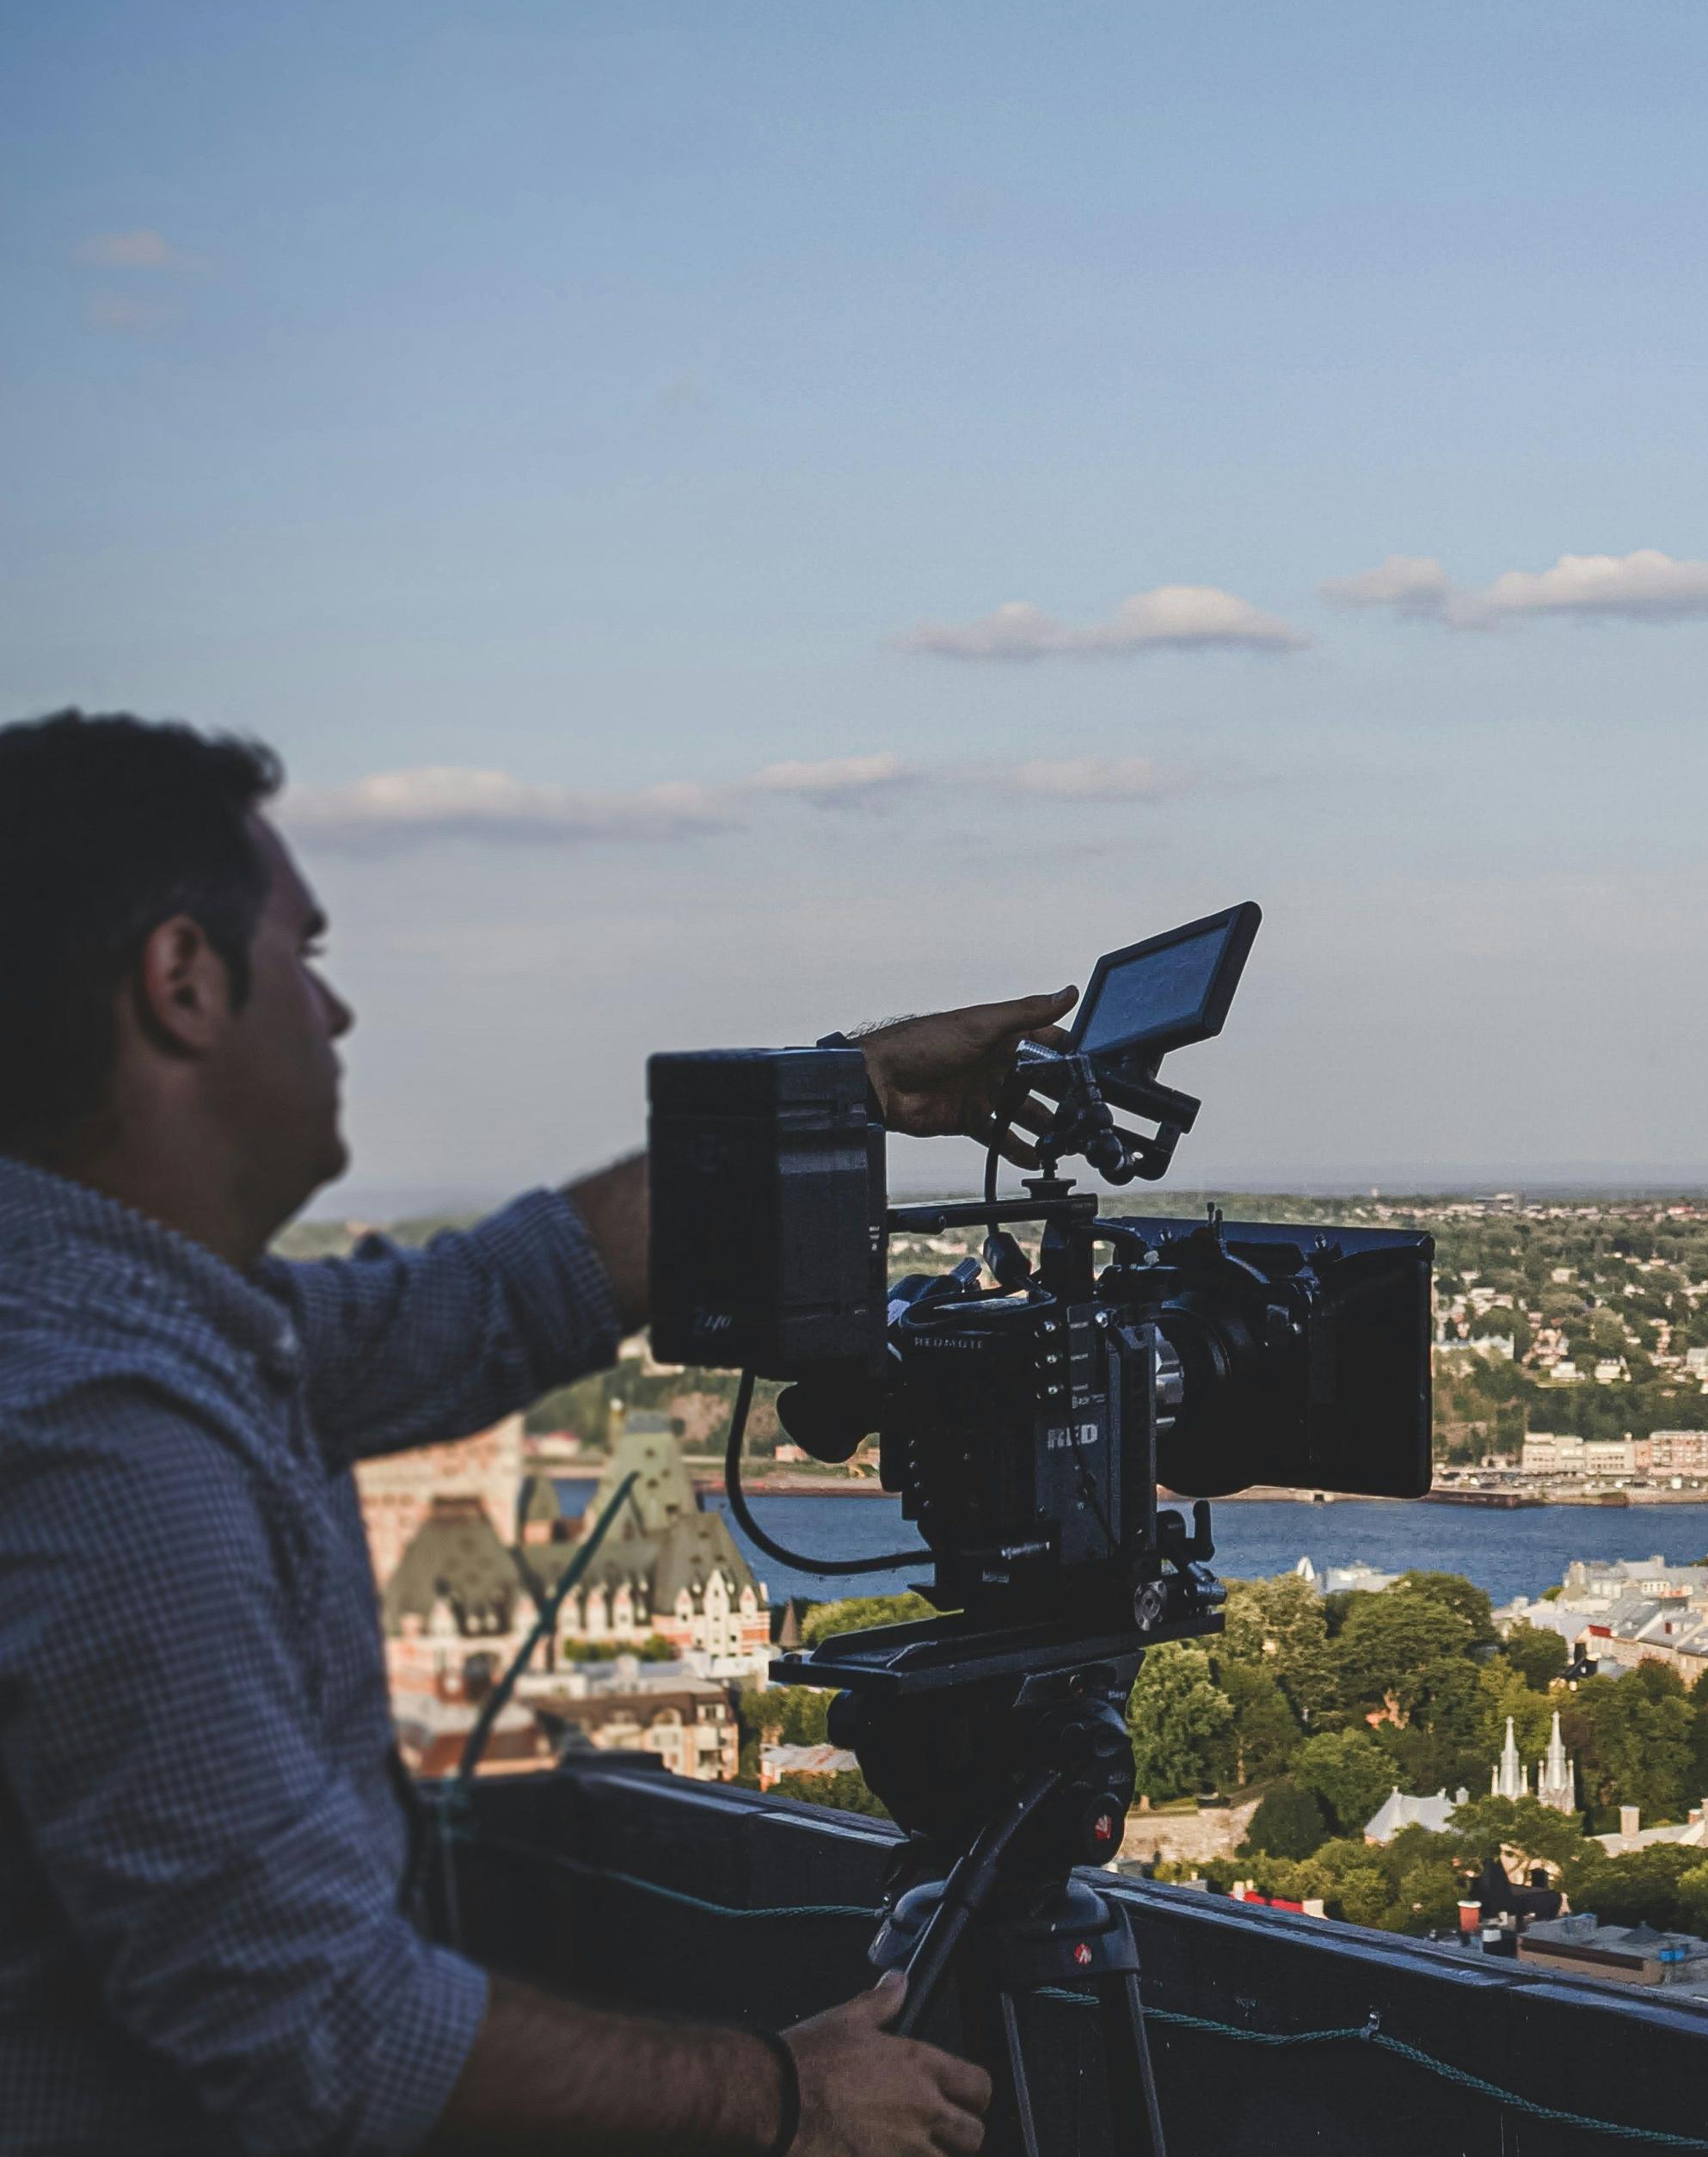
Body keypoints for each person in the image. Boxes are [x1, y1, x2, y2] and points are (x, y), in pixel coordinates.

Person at [0, 712, 1073, 2156]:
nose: (337, 1017)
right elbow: (322, 2030)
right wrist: (785, 2095)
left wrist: (849, 1093)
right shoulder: (99, 1431)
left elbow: (490, 1302)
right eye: (307, 961)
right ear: (183, 984)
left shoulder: (128, 1320)